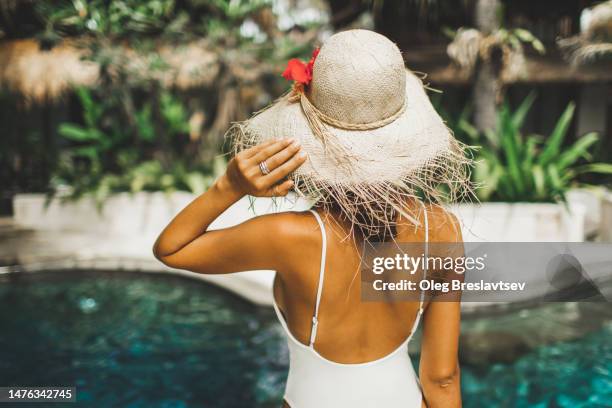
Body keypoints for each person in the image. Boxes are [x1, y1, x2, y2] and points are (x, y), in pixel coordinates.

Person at [154, 29, 470, 408]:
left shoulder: (290, 237)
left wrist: (229, 187)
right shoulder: (440, 229)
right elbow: (443, 378)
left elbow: (172, 249)